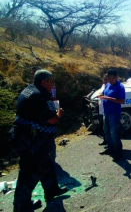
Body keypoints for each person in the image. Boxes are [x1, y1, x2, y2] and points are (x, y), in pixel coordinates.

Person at [13, 70, 68, 212]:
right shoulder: (41, 96)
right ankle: (21, 207)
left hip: (26, 136)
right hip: (32, 141)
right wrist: (59, 114)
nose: (53, 84)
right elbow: (52, 119)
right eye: (51, 81)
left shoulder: (28, 89)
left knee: (46, 165)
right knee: (28, 173)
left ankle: (52, 191)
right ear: (43, 82)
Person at [99, 69, 125, 160]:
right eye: (109, 78)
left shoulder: (120, 87)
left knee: (114, 133)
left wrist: (108, 98)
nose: (111, 80)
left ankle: (118, 153)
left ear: (116, 77)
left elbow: (122, 101)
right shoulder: (108, 85)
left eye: (113, 78)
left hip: (114, 113)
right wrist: (101, 94)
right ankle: (110, 149)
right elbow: (104, 93)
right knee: (106, 131)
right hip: (106, 112)